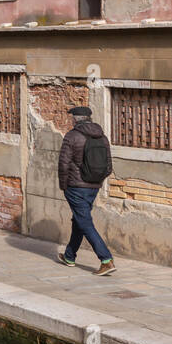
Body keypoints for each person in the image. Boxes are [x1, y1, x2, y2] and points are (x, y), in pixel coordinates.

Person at [57, 105, 116, 275]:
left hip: (76, 187)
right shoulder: (103, 137)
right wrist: (98, 181)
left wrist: (64, 185)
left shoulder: (72, 136)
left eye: (72, 118)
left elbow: (64, 164)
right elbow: (109, 165)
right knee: (79, 220)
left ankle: (106, 260)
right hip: (94, 186)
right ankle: (69, 256)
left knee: (84, 222)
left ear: (75, 119)